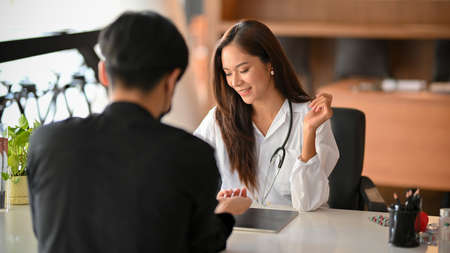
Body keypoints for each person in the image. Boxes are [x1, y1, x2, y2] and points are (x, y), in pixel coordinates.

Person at [27, 11, 251, 253]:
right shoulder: (191, 155)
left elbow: (45, 230)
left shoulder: (46, 142)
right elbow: (204, 244)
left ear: (103, 72)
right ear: (171, 79)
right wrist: (226, 212)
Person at [194, 20, 339, 211]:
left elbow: (308, 204)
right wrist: (214, 200)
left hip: (298, 234)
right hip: (241, 231)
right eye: (228, 73)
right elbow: (185, 171)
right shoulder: (219, 119)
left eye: (244, 70)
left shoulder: (309, 117)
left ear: (269, 63)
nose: (235, 82)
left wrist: (309, 131)